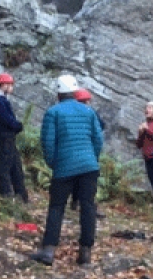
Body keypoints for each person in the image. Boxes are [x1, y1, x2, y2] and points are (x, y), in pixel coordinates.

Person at [31, 74, 103, 266]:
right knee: (88, 207)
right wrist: (92, 158)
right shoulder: (88, 112)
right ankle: (85, 253)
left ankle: (48, 251)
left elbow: (47, 142)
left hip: (64, 167)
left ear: (58, 93)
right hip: (89, 167)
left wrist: (54, 163)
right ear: (75, 91)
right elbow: (98, 139)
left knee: (56, 207)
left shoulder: (53, 113)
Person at [0, 72, 28, 203]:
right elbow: (6, 119)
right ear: (4, 85)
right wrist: (17, 125)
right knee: (5, 165)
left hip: (7, 136)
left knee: (16, 165)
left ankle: (21, 194)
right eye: (10, 85)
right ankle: (5, 192)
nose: (12, 88)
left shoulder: (1, 100)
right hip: (4, 135)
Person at [70, 88, 106, 218]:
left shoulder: (72, 112)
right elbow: (101, 126)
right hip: (88, 149)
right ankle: (87, 204)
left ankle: (74, 201)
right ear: (88, 100)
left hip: (74, 149)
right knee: (88, 179)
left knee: (75, 175)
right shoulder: (91, 113)